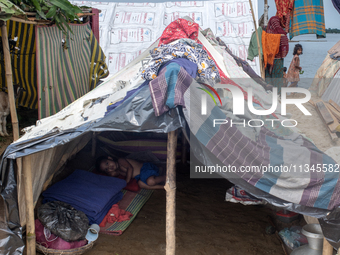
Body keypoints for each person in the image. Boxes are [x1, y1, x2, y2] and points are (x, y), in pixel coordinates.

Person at [96, 156, 166, 190]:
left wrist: (127, 181)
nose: (109, 167)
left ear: (110, 158)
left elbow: (130, 168)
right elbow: (113, 175)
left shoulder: (120, 161)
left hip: (145, 169)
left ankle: (166, 177)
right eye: (106, 169)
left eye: (107, 163)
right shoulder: (118, 171)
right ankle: (165, 187)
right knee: (140, 184)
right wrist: (111, 173)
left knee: (150, 182)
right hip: (141, 176)